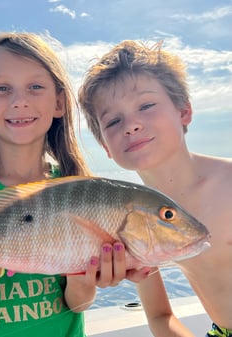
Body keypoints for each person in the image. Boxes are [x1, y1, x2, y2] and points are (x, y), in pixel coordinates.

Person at [0, 32, 144, 337]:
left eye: (35, 87)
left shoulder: (78, 189)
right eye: (2, 88)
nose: (20, 101)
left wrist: (83, 275)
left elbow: (78, 303)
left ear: (59, 102)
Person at [78, 39, 232, 337]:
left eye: (146, 106)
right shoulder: (134, 219)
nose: (131, 125)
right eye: (113, 121)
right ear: (105, 146)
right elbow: (160, 317)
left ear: (184, 111)